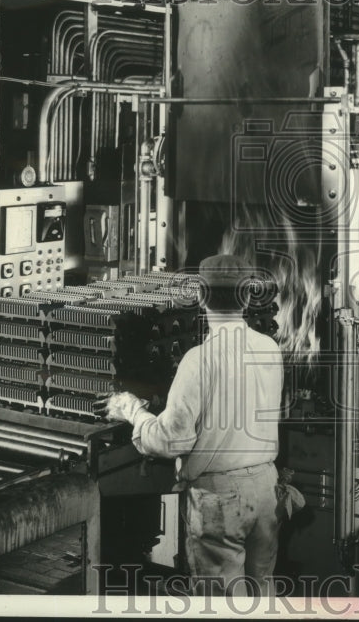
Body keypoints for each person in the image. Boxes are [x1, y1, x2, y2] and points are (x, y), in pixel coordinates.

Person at [98, 255, 284, 597]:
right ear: (246, 297)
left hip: (222, 500)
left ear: (200, 296)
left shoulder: (199, 360)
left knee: (222, 606)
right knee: (262, 594)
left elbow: (171, 441)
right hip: (266, 490)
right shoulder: (269, 349)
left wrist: (133, 410)